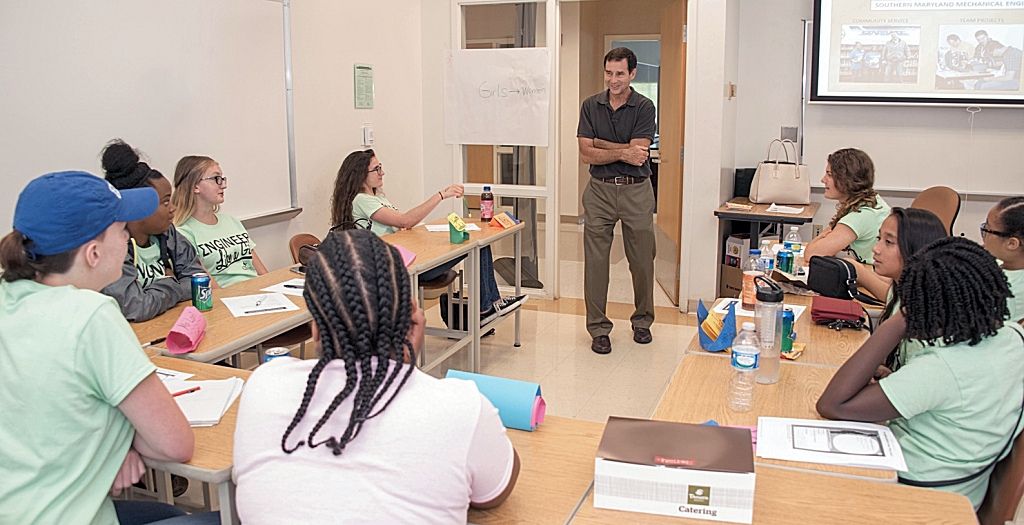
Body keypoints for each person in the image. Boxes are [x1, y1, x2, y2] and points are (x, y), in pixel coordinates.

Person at [233, 230, 520, 523]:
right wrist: (406, 359)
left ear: (315, 330)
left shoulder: (263, 385)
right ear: (413, 322)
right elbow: (492, 493)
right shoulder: (460, 407)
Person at [0, 171, 218, 525]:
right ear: (94, 252)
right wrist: (124, 441)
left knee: (163, 513)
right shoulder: (92, 315)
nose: (128, 236)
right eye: (121, 229)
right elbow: (175, 445)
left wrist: (115, 442)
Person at [817, 237, 1024, 509]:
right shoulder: (1012, 337)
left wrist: (897, 322)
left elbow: (832, 405)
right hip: (961, 487)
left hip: (918, 495)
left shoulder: (942, 368)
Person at [329, 149, 527, 328]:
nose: (382, 173)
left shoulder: (376, 198)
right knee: (475, 245)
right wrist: (441, 195)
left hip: (403, 258)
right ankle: (487, 308)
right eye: (376, 169)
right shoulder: (361, 200)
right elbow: (405, 220)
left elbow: (404, 225)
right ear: (360, 174)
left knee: (477, 245)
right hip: (398, 269)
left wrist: (401, 226)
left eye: (381, 167)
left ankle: (489, 306)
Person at [577, 46, 657, 355]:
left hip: (636, 190)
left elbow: (639, 155)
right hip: (599, 190)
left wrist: (603, 145)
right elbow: (586, 154)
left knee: (641, 261)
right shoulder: (590, 106)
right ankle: (598, 328)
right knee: (596, 263)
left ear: (632, 74)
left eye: (620, 73)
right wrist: (622, 150)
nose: (613, 80)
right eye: (609, 73)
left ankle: (643, 321)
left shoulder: (644, 106)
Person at [99, 140, 209, 322]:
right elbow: (135, 308)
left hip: (170, 324)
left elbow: (197, 282)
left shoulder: (167, 233)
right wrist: (171, 283)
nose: (173, 208)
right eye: (165, 202)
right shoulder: (111, 246)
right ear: (139, 206)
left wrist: (151, 295)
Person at [853, 208, 947, 372]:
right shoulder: (902, 292)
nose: (876, 248)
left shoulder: (924, 321)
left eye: (889, 242)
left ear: (917, 249)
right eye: (879, 238)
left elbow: (919, 389)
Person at [171, 155, 268, 287]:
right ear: (195, 186)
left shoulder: (232, 222)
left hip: (258, 294)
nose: (224, 185)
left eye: (222, 179)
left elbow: (263, 274)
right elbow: (210, 287)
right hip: (228, 300)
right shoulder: (183, 232)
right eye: (216, 179)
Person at [804, 148, 890, 265]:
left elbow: (811, 254)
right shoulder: (872, 201)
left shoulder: (861, 215)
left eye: (829, 175)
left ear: (846, 179)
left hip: (873, 278)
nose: (823, 180)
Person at [982, 196, 1024, 323]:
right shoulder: (1006, 263)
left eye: (987, 230)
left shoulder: (1005, 289)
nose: (984, 236)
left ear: (1012, 244)